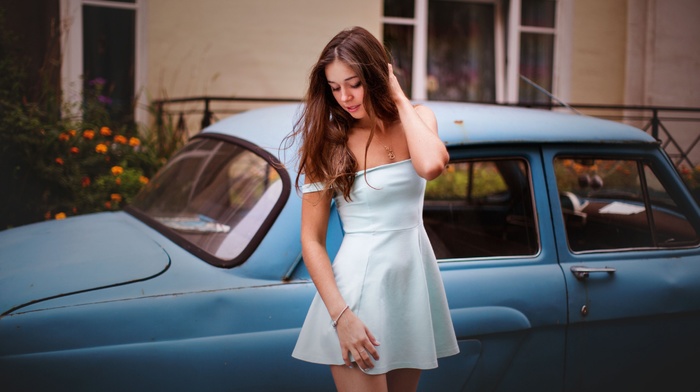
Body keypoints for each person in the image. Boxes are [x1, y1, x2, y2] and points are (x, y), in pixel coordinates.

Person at [289, 26, 459, 392]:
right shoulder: (329, 143)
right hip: (355, 295)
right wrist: (341, 317)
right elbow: (312, 240)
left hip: (409, 289)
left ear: (377, 76)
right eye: (334, 88)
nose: (345, 97)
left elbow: (431, 165)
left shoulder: (418, 119)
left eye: (353, 83)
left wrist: (396, 96)